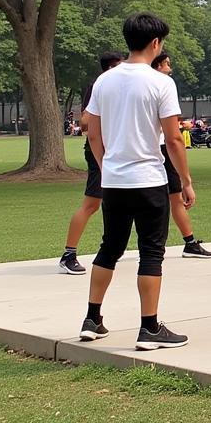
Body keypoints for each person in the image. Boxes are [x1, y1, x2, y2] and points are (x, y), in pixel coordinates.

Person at [79, 13, 195, 350]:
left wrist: (106, 166)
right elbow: (173, 139)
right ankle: (149, 327)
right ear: (156, 43)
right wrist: (186, 181)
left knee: (109, 248)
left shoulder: (105, 81)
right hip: (148, 180)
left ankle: (92, 318)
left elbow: (93, 133)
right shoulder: (161, 83)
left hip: (113, 181)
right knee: (151, 252)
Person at [59, 51, 124, 275]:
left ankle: (113, 247)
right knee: (91, 204)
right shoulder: (99, 86)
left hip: (113, 150)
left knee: (114, 203)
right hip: (100, 153)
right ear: (111, 67)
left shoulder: (112, 86)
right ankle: (68, 254)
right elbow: (85, 123)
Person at [151, 52, 211, 258]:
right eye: (168, 63)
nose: (171, 67)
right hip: (161, 148)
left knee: (173, 197)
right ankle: (172, 243)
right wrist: (188, 181)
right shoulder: (163, 84)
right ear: (158, 65)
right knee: (169, 198)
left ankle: (189, 242)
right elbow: (171, 134)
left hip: (155, 148)